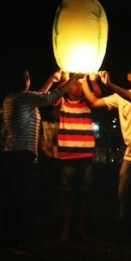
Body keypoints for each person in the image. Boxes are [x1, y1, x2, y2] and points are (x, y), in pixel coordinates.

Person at [81, 64, 131, 239]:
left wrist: (109, 85)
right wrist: (83, 82)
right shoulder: (120, 97)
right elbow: (95, 102)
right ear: (129, 76)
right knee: (123, 193)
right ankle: (125, 226)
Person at [1, 68, 75, 256]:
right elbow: (51, 97)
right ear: (24, 81)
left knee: (14, 199)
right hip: (20, 155)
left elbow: (40, 96)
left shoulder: (12, 98)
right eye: (28, 77)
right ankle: (14, 244)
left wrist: (51, 78)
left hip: (12, 154)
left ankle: (11, 242)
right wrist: (75, 79)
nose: (29, 80)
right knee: (19, 201)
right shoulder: (23, 98)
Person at [53, 77, 96, 243]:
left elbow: (97, 93)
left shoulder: (88, 101)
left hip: (85, 154)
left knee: (84, 194)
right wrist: (65, 79)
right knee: (66, 194)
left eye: (80, 83)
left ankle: (81, 228)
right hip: (67, 154)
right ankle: (65, 230)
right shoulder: (62, 101)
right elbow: (55, 94)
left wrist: (90, 80)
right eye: (76, 83)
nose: (78, 86)